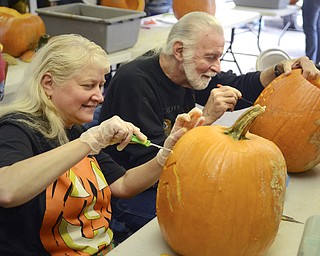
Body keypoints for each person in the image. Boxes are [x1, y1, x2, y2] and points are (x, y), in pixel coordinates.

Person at [98, 11, 320, 243]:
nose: (216, 66)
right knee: (219, 225)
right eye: (210, 57)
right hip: (132, 192)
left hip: (173, 174)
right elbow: (155, 162)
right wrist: (206, 117)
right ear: (179, 51)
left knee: (258, 190)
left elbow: (238, 84)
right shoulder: (135, 83)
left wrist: (278, 70)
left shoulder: (187, 72)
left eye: (219, 57)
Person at [0, 34, 204, 255]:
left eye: (101, 86)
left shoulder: (73, 129)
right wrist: (91, 140)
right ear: (48, 83)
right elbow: (7, 190)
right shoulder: (15, 129)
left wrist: (165, 155)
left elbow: (123, 185)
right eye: (89, 86)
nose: (99, 97)